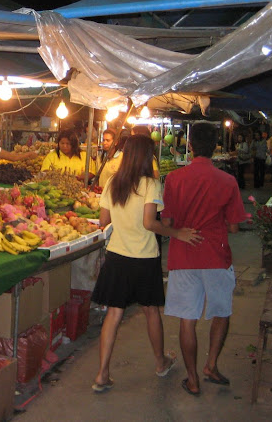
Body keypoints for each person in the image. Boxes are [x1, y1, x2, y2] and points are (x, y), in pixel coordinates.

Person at [92, 135, 201, 392]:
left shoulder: (112, 183)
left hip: (117, 255)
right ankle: (161, 362)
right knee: (151, 311)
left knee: (114, 312)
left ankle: (102, 374)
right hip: (144, 257)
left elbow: (103, 220)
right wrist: (178, 233)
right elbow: (149, 223)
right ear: (146, 157)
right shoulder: (151, 185)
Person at [160, 122, 248, 397]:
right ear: (216, 146)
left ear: (190, 145)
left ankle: (193, 378)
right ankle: (211, 365)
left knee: (188, 319)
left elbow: (168, 220)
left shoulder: (174, 179)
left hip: (184, 256)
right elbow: (234, 227)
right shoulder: (228, 181)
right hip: (216, 254)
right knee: (221, 312)